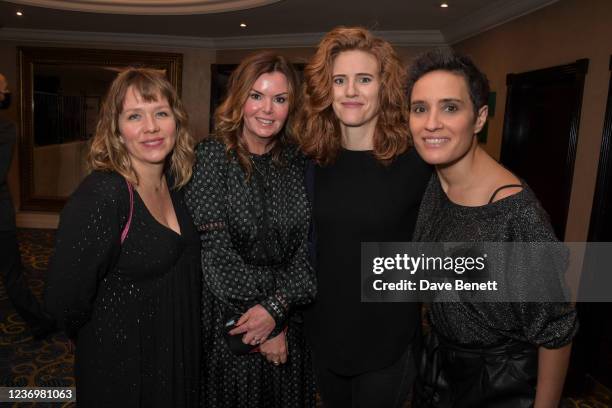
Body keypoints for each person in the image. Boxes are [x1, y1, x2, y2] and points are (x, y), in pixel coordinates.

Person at [408, 49, 577, 408]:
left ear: (479, 117)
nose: (431, 123)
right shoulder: (436, 182)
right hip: (439, 365)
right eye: (420, 108)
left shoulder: (517, 215)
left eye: (450, 107)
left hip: (501, 382)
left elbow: (557, 332)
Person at [44, 68, 200, 407]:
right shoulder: (103, 194)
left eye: (161, 113)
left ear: (177, 120)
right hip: (122, 369)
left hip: (174, 356)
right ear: (115, 129)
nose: (151, 127)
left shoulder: (177, 183)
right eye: (134, 116)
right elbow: (63, 299)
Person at [295, 27, 432, 407]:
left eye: (364, 79)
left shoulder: (417, 162)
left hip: (387, 341)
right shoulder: (311, 160)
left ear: (383, 87)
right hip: (325, 334)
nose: (351, 91)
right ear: (327, 89)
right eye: (340, 80)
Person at [184, 51, 317, 407]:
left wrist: (277, 310)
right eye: (256, 96)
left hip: (290, 317)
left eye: (279, 99)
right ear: (239, 98)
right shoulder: (212, 155)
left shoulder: (297, 161)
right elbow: (216, 254)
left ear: (292, 106)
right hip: (234, 319)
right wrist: (267, 323)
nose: (267, 109)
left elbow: (309, 251)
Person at [0, 72, 56, 339]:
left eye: (5, 88)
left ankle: (40, 322)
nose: (6, 91)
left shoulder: (6, 128)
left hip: (1, 220)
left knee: (13, 277)